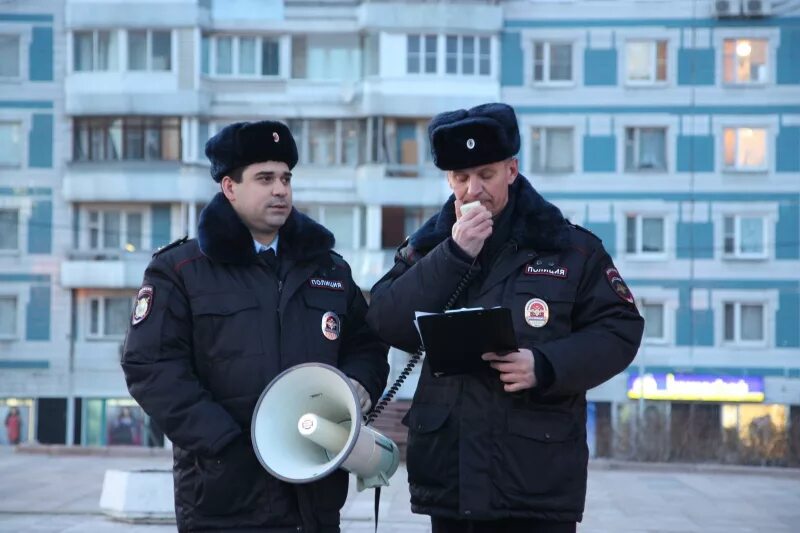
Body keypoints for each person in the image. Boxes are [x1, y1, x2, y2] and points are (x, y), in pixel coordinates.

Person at [366, 103, 644, 533]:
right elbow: (385, 320)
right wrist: (453, 256)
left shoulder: (568, 248)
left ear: (511, 170)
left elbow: (620, 329)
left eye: (487, 175)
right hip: (452, 481)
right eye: (461, 178)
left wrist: (546, 365)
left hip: (536, 478)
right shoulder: (428, 247)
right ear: (448, 179)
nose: (474, 190)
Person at [122, 120, 389, 533]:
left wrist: (359, 384)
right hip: (225, 496)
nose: (280, 189)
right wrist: (227, 446)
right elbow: (151, 366)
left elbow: (367, 344)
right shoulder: (181, 270)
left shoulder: (329, 269)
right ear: (229, 187)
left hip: (313, 498)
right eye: (265, 178)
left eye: (285, 178)